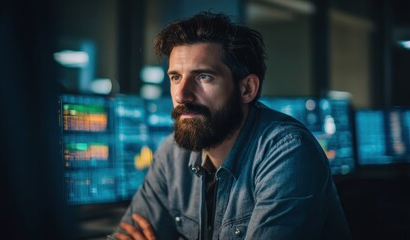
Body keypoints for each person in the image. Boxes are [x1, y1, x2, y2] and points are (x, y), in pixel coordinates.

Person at [108, 11, 352, 240]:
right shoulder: (172, 155)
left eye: (203, 77)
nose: (182, 95)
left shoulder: (289, 152)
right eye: (175, 77)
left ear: (247, 89)